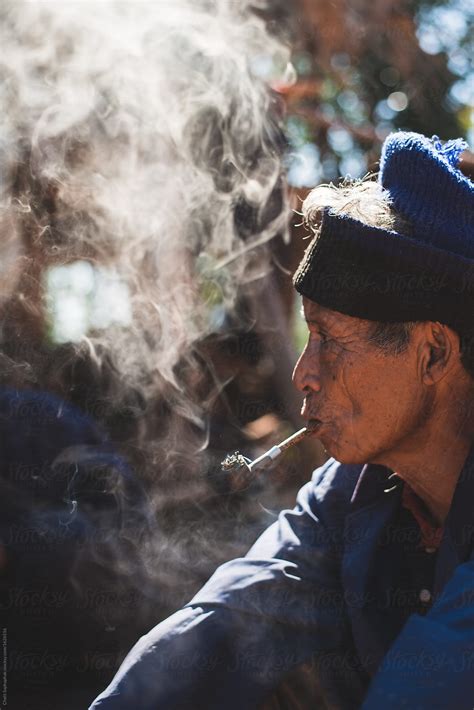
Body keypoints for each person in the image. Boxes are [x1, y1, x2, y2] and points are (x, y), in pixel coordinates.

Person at [89, 131, 474, 709]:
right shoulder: (351, 494)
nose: (303, 375)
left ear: (435, 354)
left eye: (330, 340)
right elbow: (235, 614)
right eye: (307, 334)